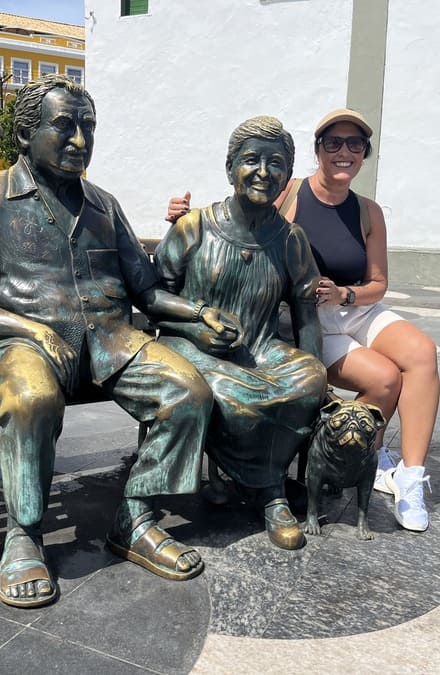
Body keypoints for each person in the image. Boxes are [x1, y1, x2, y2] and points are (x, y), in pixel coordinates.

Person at [0, 74, 244, 608]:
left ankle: (136, 517)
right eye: (64, 127)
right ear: (23, 134)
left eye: (88, 128)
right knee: (33, 400)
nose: (79, 141)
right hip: (20, 344)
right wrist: (30, 328)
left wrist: (198, 313)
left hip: (108, 340)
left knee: (187, 392)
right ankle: (24, 534)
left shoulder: (104, 205)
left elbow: (147, 290)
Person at [166, 109, 439, 533]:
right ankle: (350, 451)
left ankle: (405, 474)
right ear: (318, 151)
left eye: (355, 145)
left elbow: (379, 283)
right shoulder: (288, 191)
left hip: (352, 305)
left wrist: (347, 294)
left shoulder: (368, 211)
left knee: (422, 352)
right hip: (307, 314)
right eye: (334, 143)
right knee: (384, 380)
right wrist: (183, 215)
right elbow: (241, 212)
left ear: (365, 153)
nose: (344, 152)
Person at [155, 116, 327, 550]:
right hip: (188, 340)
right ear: (231, 167)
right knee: (239, 395)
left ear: (288, 175)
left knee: (306, 380)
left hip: (260, 346)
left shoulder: (291, 239)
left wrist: (318, 376)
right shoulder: (193, 226)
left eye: (276, 163)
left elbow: (307, 316)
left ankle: (257, 482)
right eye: (251, 160)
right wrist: (194, 330)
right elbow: (152, 300)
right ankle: (270, 492)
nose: (263, 172)